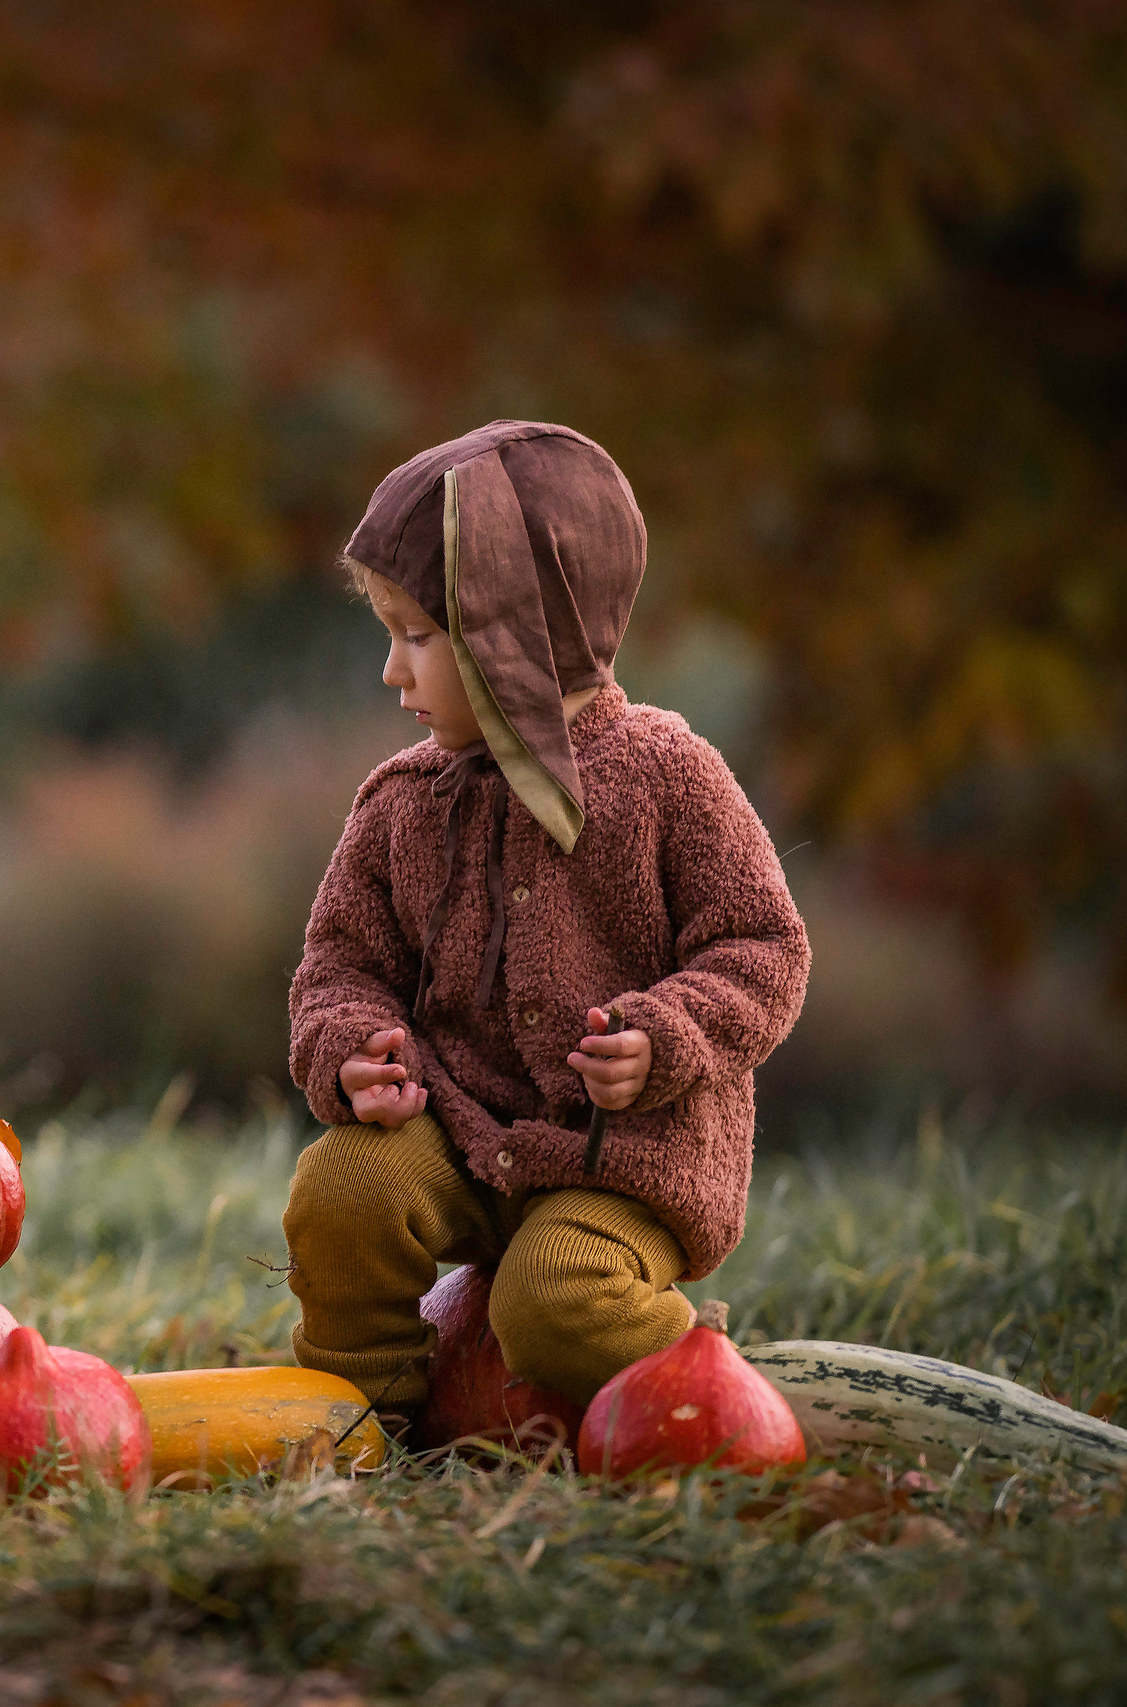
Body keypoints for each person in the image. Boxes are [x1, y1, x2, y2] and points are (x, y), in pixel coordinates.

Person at [284, 420, 810, 1425]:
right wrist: (351, 1053)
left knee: (554, 1300)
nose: (392, 673)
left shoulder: (667, 774)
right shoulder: (400, 803)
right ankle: (362, 1418)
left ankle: (719, 1400)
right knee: (340, 1196)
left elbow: (762, 948)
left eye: (417, 637)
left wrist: (665, 1037)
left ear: (510, 634)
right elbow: (338, 965)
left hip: (620, 1160)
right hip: (455, 1137)